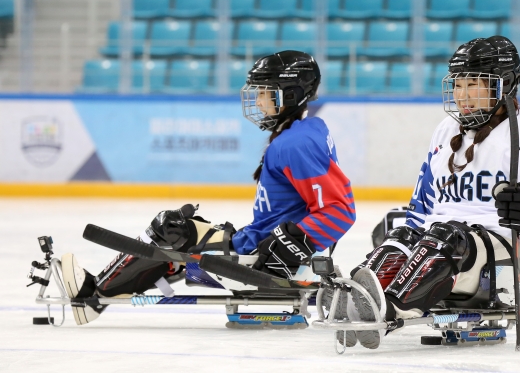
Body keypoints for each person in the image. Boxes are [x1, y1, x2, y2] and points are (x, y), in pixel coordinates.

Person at [61, 50, 356, 325]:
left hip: (260, 254)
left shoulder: (296, 143)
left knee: (168, 229)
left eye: (266, 94)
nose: (259, 102)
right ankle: (148, 276)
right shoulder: (304, 130)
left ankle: (94, 297)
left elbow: (340, 209)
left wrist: (289, 250)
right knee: (184, 232)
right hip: (259, 240)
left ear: (291, 95)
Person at [344, 36, 520, 349]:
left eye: (473, 84)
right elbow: (421, 206)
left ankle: (387, 310)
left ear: (505, 83)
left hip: (504, 241)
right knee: (398, 231)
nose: (462, 95)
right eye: (457, 84)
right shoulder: (446, 130)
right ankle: (356, 298)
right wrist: (399, 238)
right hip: (443, 241)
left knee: (446, 235)